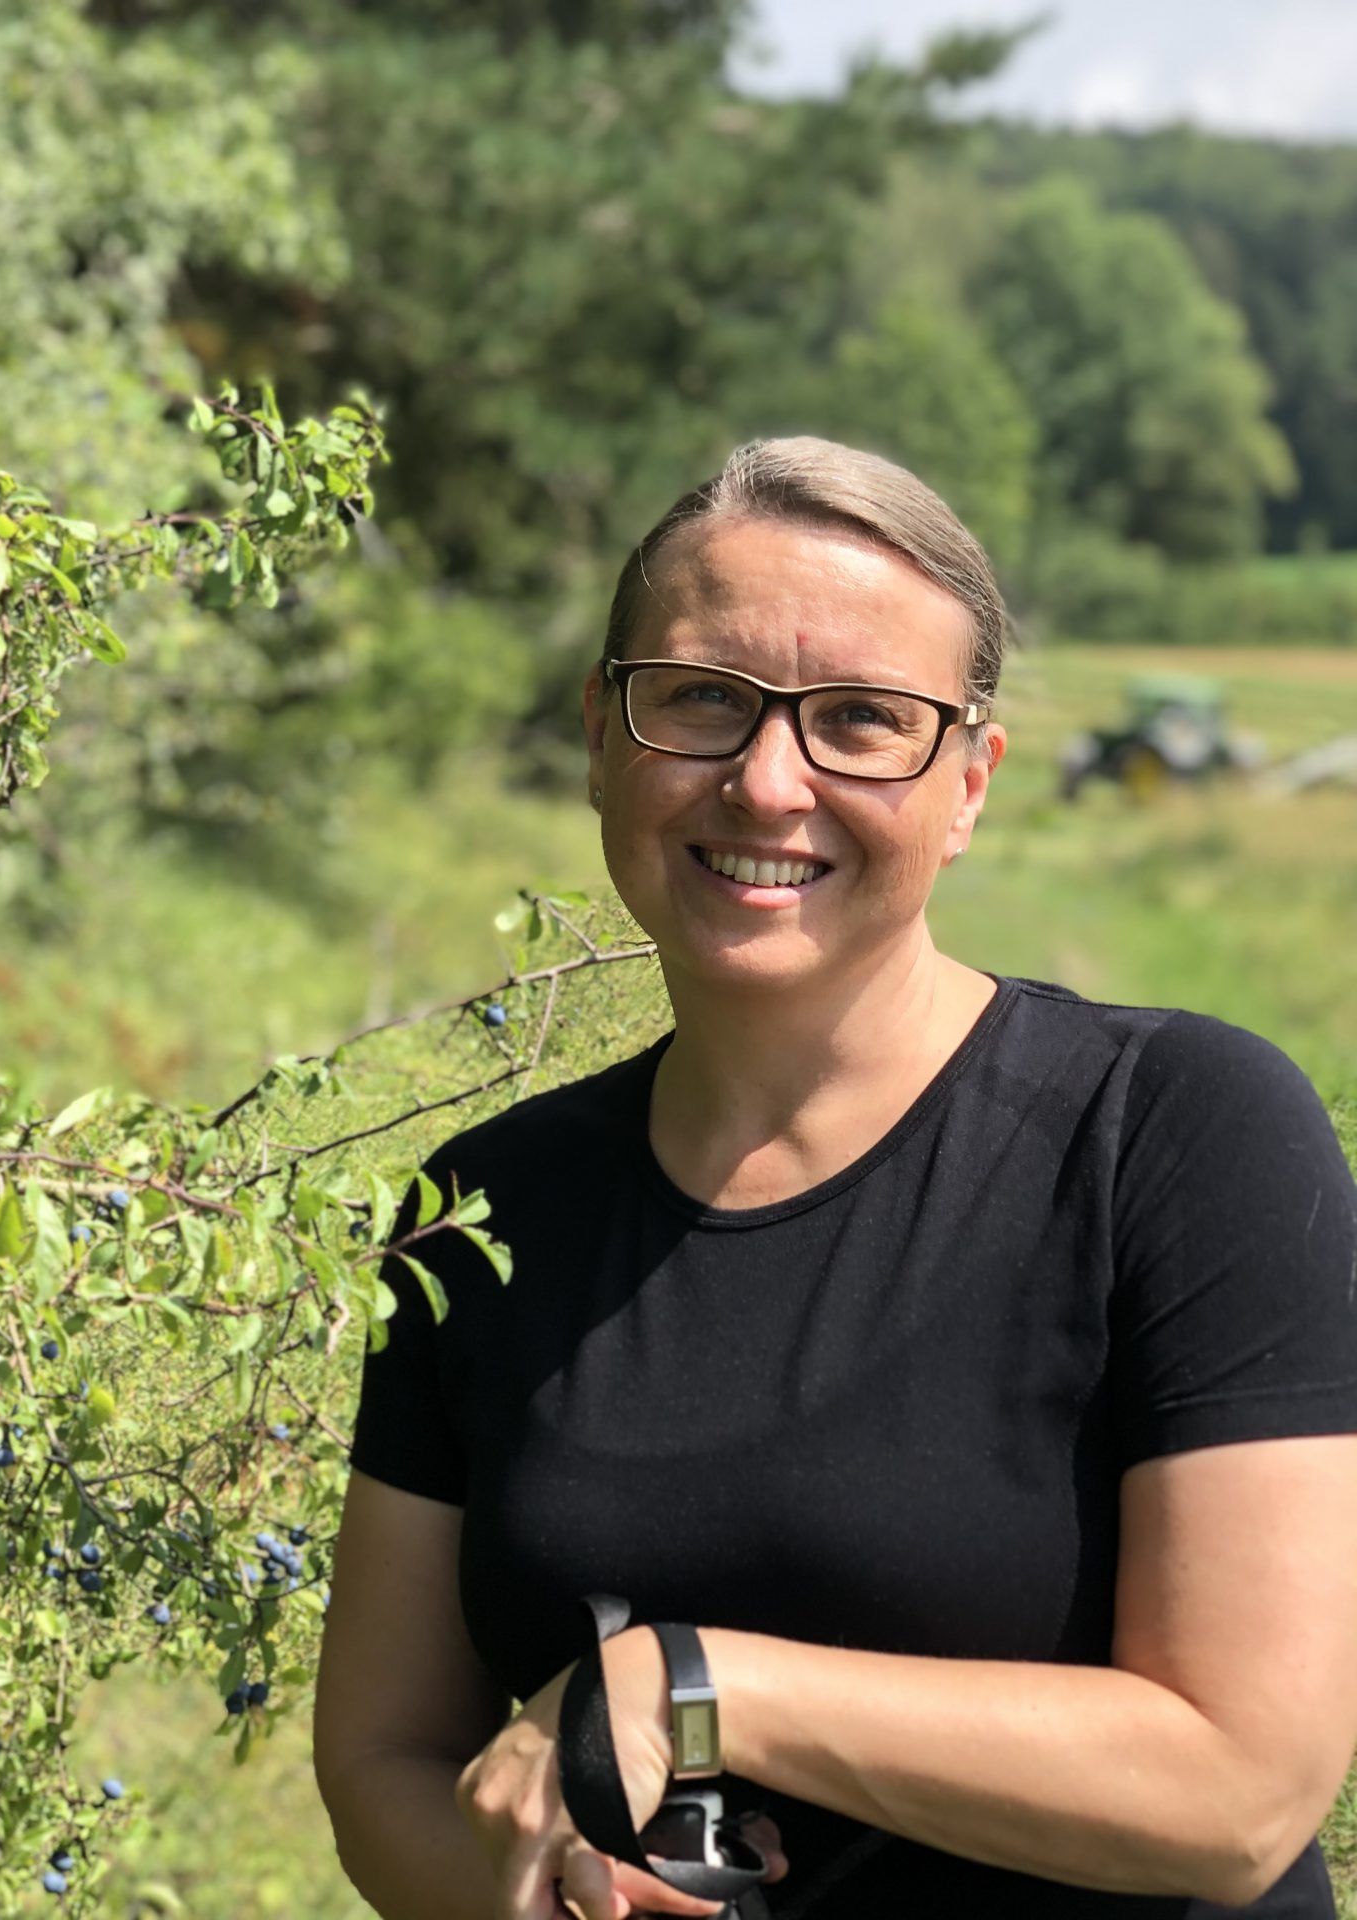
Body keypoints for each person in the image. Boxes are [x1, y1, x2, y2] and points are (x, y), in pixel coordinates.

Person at [310, 437, 1357, 1920]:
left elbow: (1242, 1786)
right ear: (603, 733)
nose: (767, 780)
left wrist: (698, 1685)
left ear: (970, 784)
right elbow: (382, 1758)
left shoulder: (1175, 1132)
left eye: (864, 720)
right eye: (701, 701)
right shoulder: (482, 1215)